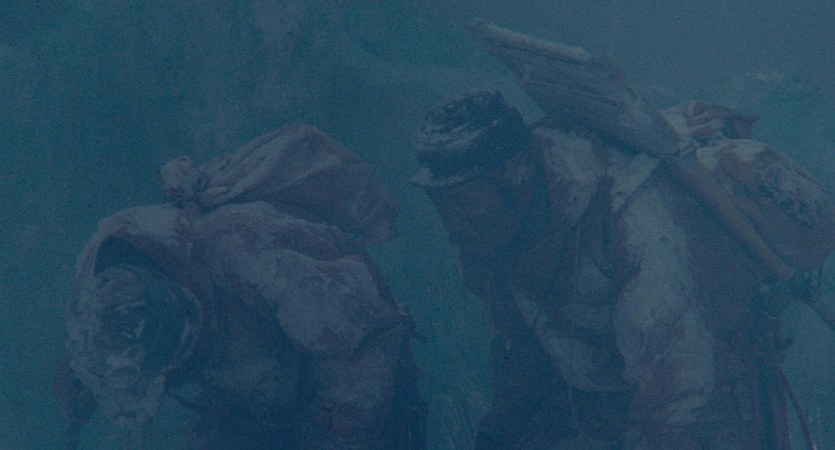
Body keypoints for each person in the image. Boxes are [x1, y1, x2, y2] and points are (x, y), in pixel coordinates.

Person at [411, 24, 835, 448]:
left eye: (462, 203)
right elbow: (518, 355)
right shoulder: (492, 233)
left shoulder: (632, 212)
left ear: (515, 176)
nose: (452, 225)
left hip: (707, 405)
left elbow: (678, 384)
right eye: (441, 206)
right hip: (602, 406)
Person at [57, 123, 426, 449]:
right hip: (248, 394)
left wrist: (338, 439)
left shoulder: (250, 252)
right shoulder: (107, 273)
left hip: (346, 382)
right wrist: (89, 378)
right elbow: (113, 332)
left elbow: (361, 350)